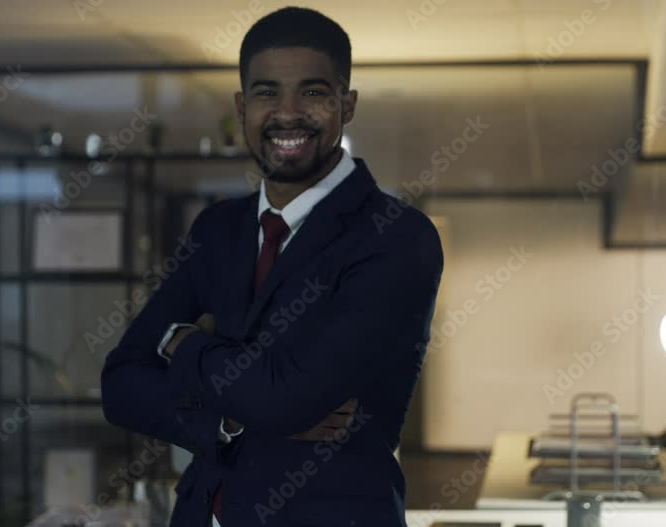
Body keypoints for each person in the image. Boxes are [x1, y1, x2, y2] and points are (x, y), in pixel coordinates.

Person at [101, 7, 444, 526]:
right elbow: (122, 384)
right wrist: (226, 424)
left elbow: (287, 402)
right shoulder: (218, 230)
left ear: (346, 105)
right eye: (266, 93)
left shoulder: (396, 237)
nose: (287, 114)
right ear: (242, 106)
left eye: (312, 92)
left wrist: (182, 342)